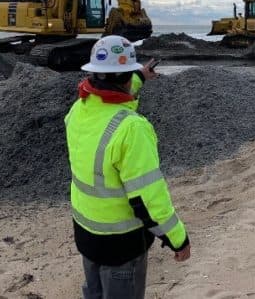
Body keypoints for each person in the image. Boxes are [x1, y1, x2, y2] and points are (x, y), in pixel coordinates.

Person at [65, 35, 190, 299]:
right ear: (125, 75)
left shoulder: (79, 108)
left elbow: (111, 93)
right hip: (121, 244)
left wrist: (140, 76)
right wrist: (177, 238)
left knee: (94, 293)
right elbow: (147, 198)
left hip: (87, 233)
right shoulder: (131, 129)